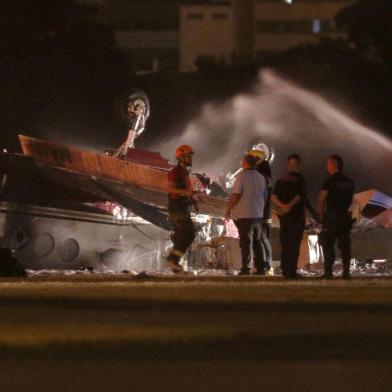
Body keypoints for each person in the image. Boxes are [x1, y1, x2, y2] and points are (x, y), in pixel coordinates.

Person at [272, 154, 315, 279]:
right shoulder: (300, 180)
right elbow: (299, 197)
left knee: (285, 243)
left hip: (283, 217)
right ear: (299, 165)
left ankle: (285, 270)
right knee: (294, 244)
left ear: (288, 165)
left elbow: (274, 197)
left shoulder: (281, 180)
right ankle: (292, 271)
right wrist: (289, 206)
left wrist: (283, 206)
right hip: (296, 216)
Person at [225, 153, 267, 275]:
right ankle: (261, 268)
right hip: (258, 214)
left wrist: (228, 208)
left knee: (245, 243)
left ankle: (246, 268)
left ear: (245, 163)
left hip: (244, 215)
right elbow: (264, 195)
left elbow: (236, 194)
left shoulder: (242, 176)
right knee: (257, 242)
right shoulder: (261, 177)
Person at [317, 155, 354, 280]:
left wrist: (321, 216)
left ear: (333, 164)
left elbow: (321, 200)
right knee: (345, 246)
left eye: (328, 163)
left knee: (328, 245)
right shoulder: (349, 182)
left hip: (332, 218)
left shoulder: (329, 181)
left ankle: (328, 273)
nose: (327, 166)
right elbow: (353, 201)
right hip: (345, 217)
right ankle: (346, 273)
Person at [166, 144, 197, 273]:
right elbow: (170, 189)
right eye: (188, 156)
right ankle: (172, 260)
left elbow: (186, 192)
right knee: (188, 233)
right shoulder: (175, 172)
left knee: (181, 235)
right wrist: (187, 193)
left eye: (190, 156)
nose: (190, 158)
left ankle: (174, 262)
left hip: (182, 207)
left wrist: (193, 201)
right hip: (177, 207)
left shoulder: (184, 173)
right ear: (181, 157)